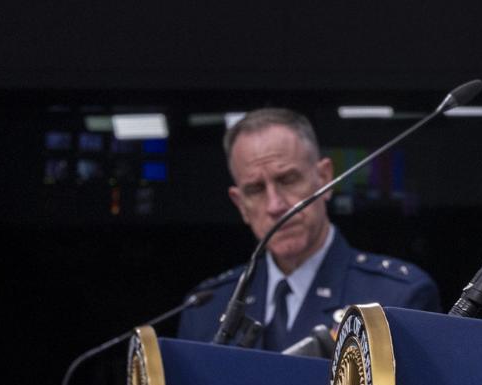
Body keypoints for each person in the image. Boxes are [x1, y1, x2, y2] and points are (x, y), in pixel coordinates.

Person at [176, 109, 438, 348]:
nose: (275, 205)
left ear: (324, 178)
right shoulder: (206, 310)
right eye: (255, 189)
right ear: (240, 204)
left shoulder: (396, 299)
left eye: (288, 180)